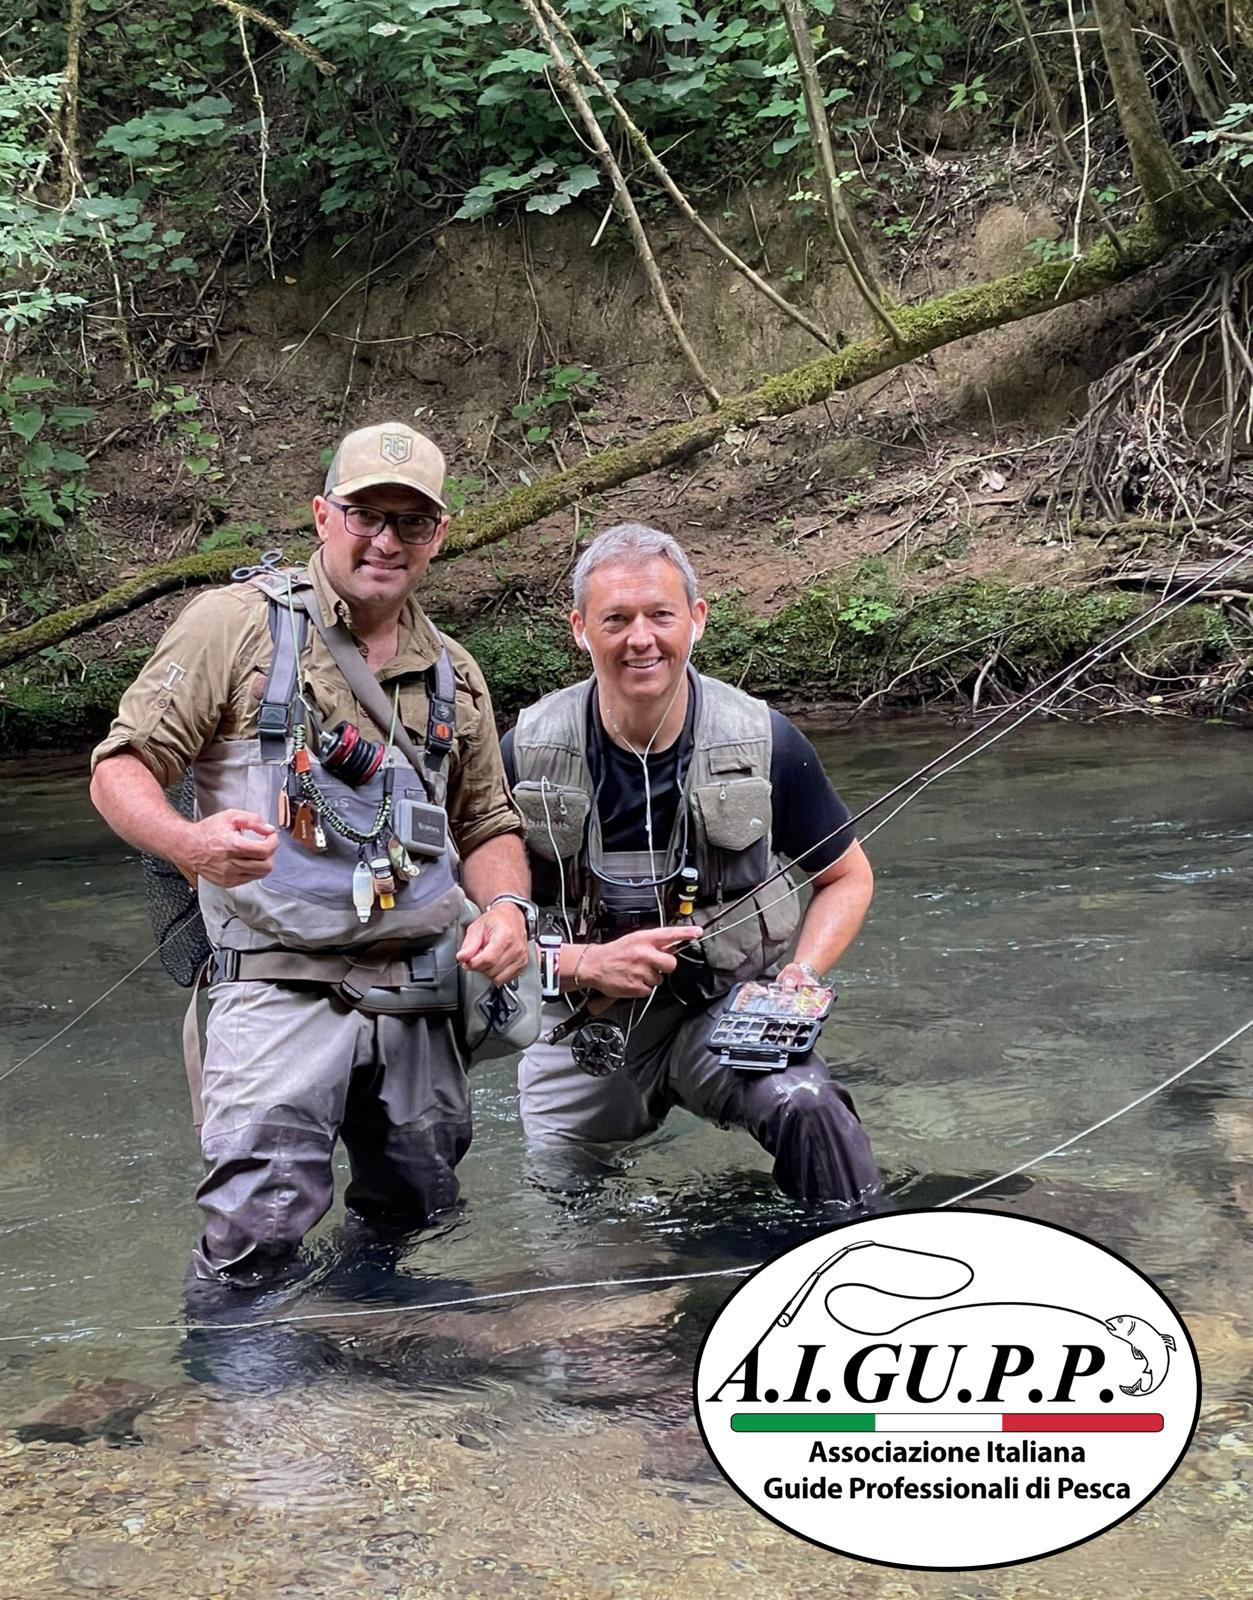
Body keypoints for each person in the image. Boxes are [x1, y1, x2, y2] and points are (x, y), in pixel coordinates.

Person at [90, 422, 536, 1285]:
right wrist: (190, 843)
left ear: (439, 535)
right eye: (367, 514)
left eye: (411, 522)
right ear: (323, 515)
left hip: (419, 990)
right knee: (252, 1239)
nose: (386, 541)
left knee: (417, 1219)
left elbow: (486, 824)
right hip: (273, 983)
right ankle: (246, 1372)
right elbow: (120, 770)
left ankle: (382, 1355)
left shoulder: (458, 673)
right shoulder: (234, 626)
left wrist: (511, 910)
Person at [502, 523, 882, 1206]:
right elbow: (471, 926)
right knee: (567, 1217)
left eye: (660, 615)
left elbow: (846, 877)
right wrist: (584, 964)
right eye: (615, 619)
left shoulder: (764, 741)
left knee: (807, 1103)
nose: (640, 639)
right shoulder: (523, 755)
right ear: (580, 630)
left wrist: (799, 976)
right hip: (581, 1028)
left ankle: (857, 1242)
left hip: (721, 1013)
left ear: (696, 621)